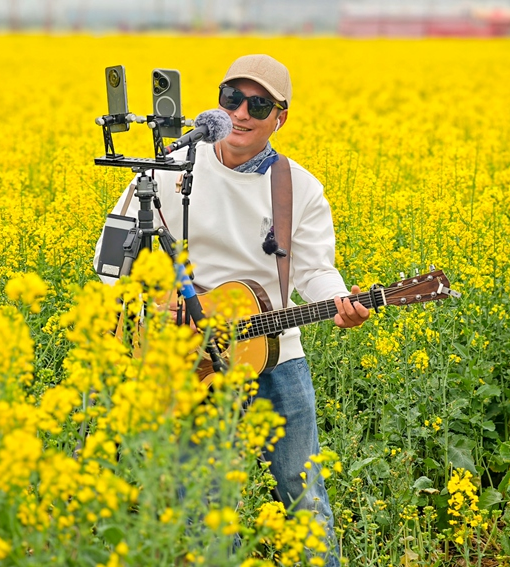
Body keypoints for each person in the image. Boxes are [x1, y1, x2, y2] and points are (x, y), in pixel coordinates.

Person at [94, 54, 369, 566]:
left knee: (303, 493)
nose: (241, 113)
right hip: (184, 359)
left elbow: (313, 271)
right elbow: (109, 259)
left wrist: (340, 300)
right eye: (231, 100)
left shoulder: (298, 187)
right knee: (199, 503)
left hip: (273, 355)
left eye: (257, 104)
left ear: (280, 116)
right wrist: (151, 299)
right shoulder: (168, 169)